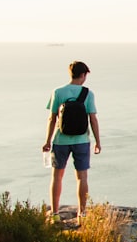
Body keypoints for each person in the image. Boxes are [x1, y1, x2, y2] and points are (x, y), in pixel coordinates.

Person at [42, 61, 101, 222]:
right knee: (82, 177)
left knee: (57, 176)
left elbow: (52, 118)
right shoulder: (88, 94)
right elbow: (93, 119)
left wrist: (47, 141)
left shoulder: (58, 92)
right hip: (82, 140)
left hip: (60, 140)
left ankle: (54, 214)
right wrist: (98, 142)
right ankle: (82, 213)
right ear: (83, 75)